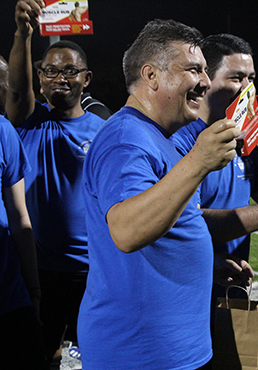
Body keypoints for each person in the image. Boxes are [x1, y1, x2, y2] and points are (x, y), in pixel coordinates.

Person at [78, 19, 254, 370]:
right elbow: (127, 231)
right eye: (193, 69)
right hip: (141, 354)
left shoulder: (160, 135)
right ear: (151, 75)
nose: (205, 82)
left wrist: (204, 265)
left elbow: (169, 224)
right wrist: (199, 162)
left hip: (171, 348)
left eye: (205, 70)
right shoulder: (125, 138)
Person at [171, 34, 258, 300]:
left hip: (234, 285)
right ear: (204, 80)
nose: (248, 89)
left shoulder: (245, 141)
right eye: (237, 78)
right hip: (184, 291)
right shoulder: (178, 140)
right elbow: (180, 221)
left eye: (251, 79)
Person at [6, 0, 105, 366]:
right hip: (39, 268)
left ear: (86, 78)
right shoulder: (30, 121)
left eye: (69, 72)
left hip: (92, 268)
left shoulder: (105, 132)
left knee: (98, 352)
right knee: (41, 354)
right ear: (39, 75)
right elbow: (16, 92)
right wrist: (23, 33)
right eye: (50, 71)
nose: (59, 78)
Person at [0, 55, 48, 370]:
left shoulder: (4, 131)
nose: (7, 88)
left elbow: (19, 219)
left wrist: (32, 287)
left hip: (9, 295)